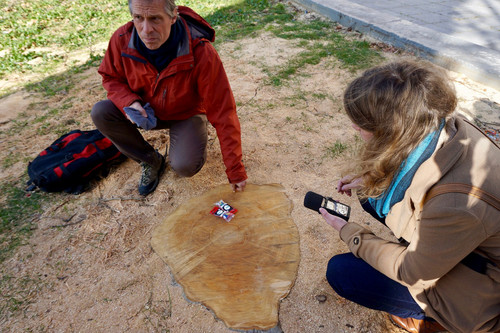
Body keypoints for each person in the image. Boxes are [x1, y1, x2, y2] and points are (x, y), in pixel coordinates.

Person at [319, 60, 499, 333]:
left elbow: (413, 271)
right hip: (464, 242)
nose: (355, 129)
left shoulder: (455, 206)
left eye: (362, 126)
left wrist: (349, 232)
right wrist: (373, 178)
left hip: (482, 291)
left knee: (343, 273)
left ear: (394, 133)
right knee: (370, 194)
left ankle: (435, 319)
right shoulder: (444, 124)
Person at [91, 0, 247, 196]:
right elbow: (110, 76)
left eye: (155, 19)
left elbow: (224, 112)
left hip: (186, 114)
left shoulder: (200, 51)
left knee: (185, 166)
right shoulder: (122, 38)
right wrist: (129, 102)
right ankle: (150, 160)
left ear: (173, 16)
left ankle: (192, 132)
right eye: (138, 18)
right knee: (101, 112)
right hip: (146, 112)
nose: (146, 30)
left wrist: (235, 171)